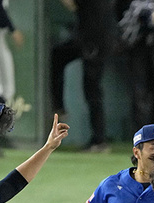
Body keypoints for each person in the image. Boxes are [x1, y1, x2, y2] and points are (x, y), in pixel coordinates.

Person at [51, 0, 115, 152]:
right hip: (86, 37)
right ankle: (59, 106)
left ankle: (99, 140)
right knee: (57, 56)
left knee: (92, 89)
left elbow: (70, 3)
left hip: (96, 40)